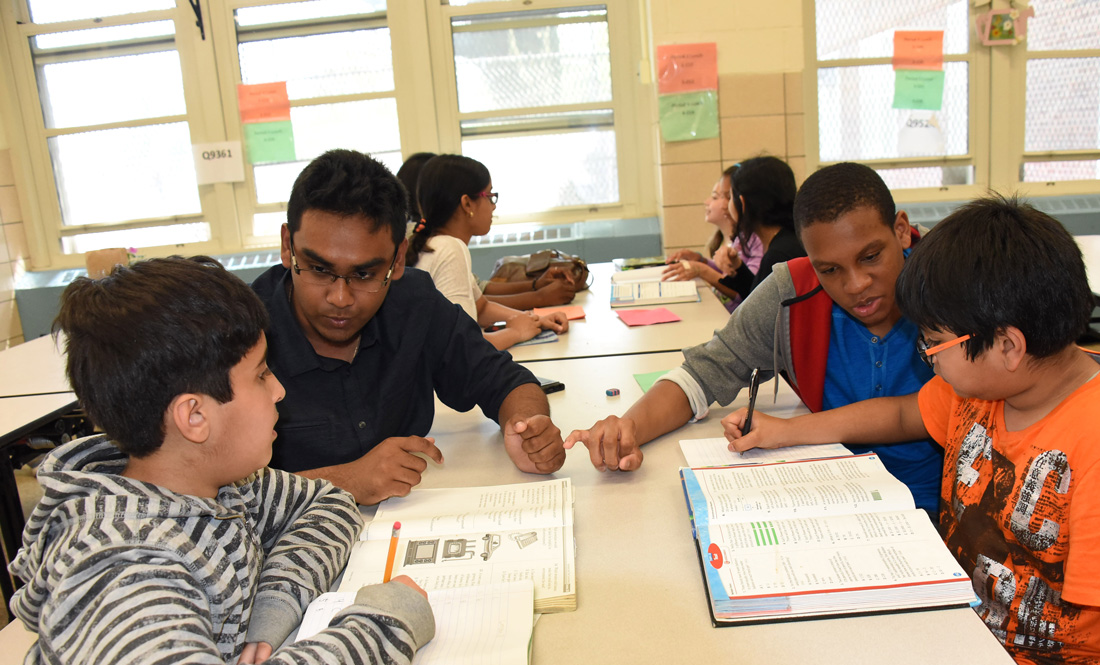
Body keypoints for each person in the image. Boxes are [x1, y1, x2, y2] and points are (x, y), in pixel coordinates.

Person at [721, 195, 1100, 665]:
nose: (925, 356)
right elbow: (900, 415)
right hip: (964, 639)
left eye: (933, 343)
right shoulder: (985, 388)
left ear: (1008, 345)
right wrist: (785, 433)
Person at [4, 257, 436, 665]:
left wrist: (273, 610)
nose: (279, 391)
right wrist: (384, 627)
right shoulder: (120, 566)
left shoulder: (216, 484)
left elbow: (325, 503)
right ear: (194, 417)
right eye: (260, 374)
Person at [565, 162, 943, 514]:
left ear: (900, 229)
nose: (856, 284)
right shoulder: (791, 290)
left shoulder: (952, 284)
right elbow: (702, 372)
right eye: (829, 269)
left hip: (947, 503)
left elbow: (929, 408)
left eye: (871, 257)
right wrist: (629, 428)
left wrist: (790, 430)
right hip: (838, 496)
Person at [252, 149, 566, 505]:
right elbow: (208, 495)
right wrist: (346, 480)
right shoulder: (240, 335)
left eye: (364, 274)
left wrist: (527, 426)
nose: (340, 298)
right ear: (286, 246)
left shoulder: (414, 302)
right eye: (319, 269)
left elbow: (506, 381)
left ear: (398, 259)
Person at [406, 153, 570, 350]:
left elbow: (481, 307)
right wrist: (516, 332)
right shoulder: (449, 250)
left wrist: (535, 320)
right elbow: (463, 347)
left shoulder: (435, 245)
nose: (493, 207)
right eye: (490, 196)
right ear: (467, 204)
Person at [664, 164, 764, 310]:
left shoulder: (755, 239)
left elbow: (745, 290)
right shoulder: (741, 237)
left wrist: (701, 269)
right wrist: (702, 261)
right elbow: (729, 275)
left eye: (723, 197)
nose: (707, 201)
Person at [715, 155, 806, 300]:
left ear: (742, 203)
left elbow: (759, 315)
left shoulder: (778, 256)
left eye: (730, 196)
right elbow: (757, 297)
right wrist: (738, 267)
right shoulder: (790, 239)